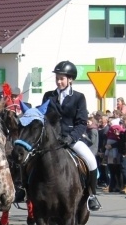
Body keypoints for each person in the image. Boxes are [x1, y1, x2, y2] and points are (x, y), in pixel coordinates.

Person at [27, 61, 101, 210]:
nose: (59, 81)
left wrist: (71, 137)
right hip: (51, 140)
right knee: (28, 159)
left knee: (91, 161)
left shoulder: (79, 97)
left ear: (70, 79)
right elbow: (44, 117)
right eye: (57, 78)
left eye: (62, 78)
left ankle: (92, 195)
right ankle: (25, 191)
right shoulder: (48, 96)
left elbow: (81, 122)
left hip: (71, 139)